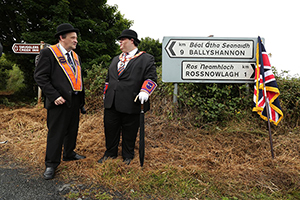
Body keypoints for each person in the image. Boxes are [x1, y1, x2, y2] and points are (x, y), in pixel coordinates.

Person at [34, 23, 86, 180]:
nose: (76, 41)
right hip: (58, 101)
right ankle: (51, 164)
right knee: (56, 133)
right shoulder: (48, 53)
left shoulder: (75, 56)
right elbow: (40, 77)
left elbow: (77, 79)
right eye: (72, 38)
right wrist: (54, 95)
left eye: (76, 38)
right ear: (62, 38)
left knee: (72, 130)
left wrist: (81, 102)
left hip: (74, 100)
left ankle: (69, 153)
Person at [98, 29, 157, 165]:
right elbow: (109, 80)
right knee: (110, 129)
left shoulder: (146, 59)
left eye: (122, 40)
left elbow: (151, 78)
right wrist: (105, 94)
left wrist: (145, 92)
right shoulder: (115, 59)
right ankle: (110, 153)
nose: (120, 43)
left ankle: (128, 155)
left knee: (129, 131)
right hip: (111, 102)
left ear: (131, 40)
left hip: (131, 102)